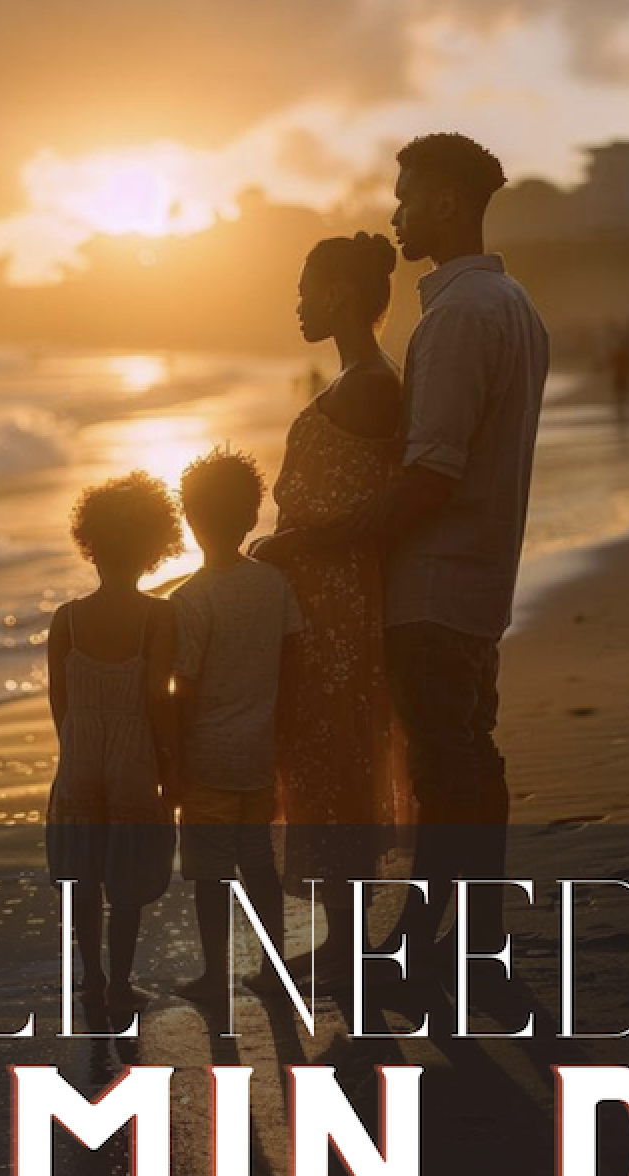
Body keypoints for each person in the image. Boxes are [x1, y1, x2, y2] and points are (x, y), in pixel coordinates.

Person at [263, 134, 549, 988]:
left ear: (450, 203)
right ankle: (474, 945)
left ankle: (424, 950)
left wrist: (311, 539)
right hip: (482, 573)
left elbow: (430, 476)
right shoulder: (515, 305)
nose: (396, 213)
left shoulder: (459, 317)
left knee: (444, 771)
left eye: (408, 196)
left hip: (433, 581)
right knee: (472, 760)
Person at [251, 232, 414, 981]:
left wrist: (295, 545)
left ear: (341, 295)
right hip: (318, 594)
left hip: (338, 597)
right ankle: (340, 933)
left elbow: (381, 508)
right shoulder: (359, 374)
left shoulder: (373, 382)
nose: (298, 304)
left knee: (337, 755)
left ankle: (348, 940)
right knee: (318, 754)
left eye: (306, 288)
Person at [170, 448, 304, 1005]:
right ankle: (273, 965)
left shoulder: (190, 598)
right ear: (251, 518)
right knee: (258, 865)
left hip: (207, 757)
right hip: (257, 752)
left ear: (190, 521)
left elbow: (187, 687)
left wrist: (172, 759)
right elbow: (294, 658)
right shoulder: (273, 583)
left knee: (208, 873)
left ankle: (214, 973)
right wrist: (283, 733)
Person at [45, 472, 181, 1015]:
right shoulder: (158, 618)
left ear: (90, 545)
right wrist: (169, 764)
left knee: (82, 876)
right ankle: (122, 981)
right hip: (132, 759)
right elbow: (157, 698)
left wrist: (75, 750)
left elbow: (61, 704)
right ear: (152, 550)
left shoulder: (67, 621)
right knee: (125, 881)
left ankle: (92, 977)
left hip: (78, 758)